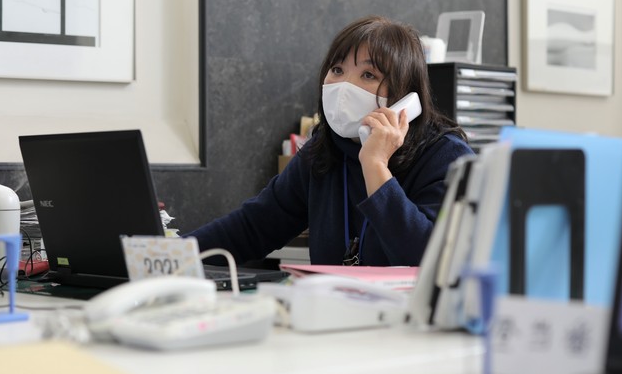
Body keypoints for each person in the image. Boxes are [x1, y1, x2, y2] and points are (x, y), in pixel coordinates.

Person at [185, 15, 473, 267]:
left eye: (368, 74)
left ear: (404, 96)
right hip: (335, 317)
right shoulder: (323, 151)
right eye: (337, 70)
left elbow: (429, 260)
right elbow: (251, 229)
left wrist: (376, 167)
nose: (344, 85)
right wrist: (167, 256)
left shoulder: (445, 156)